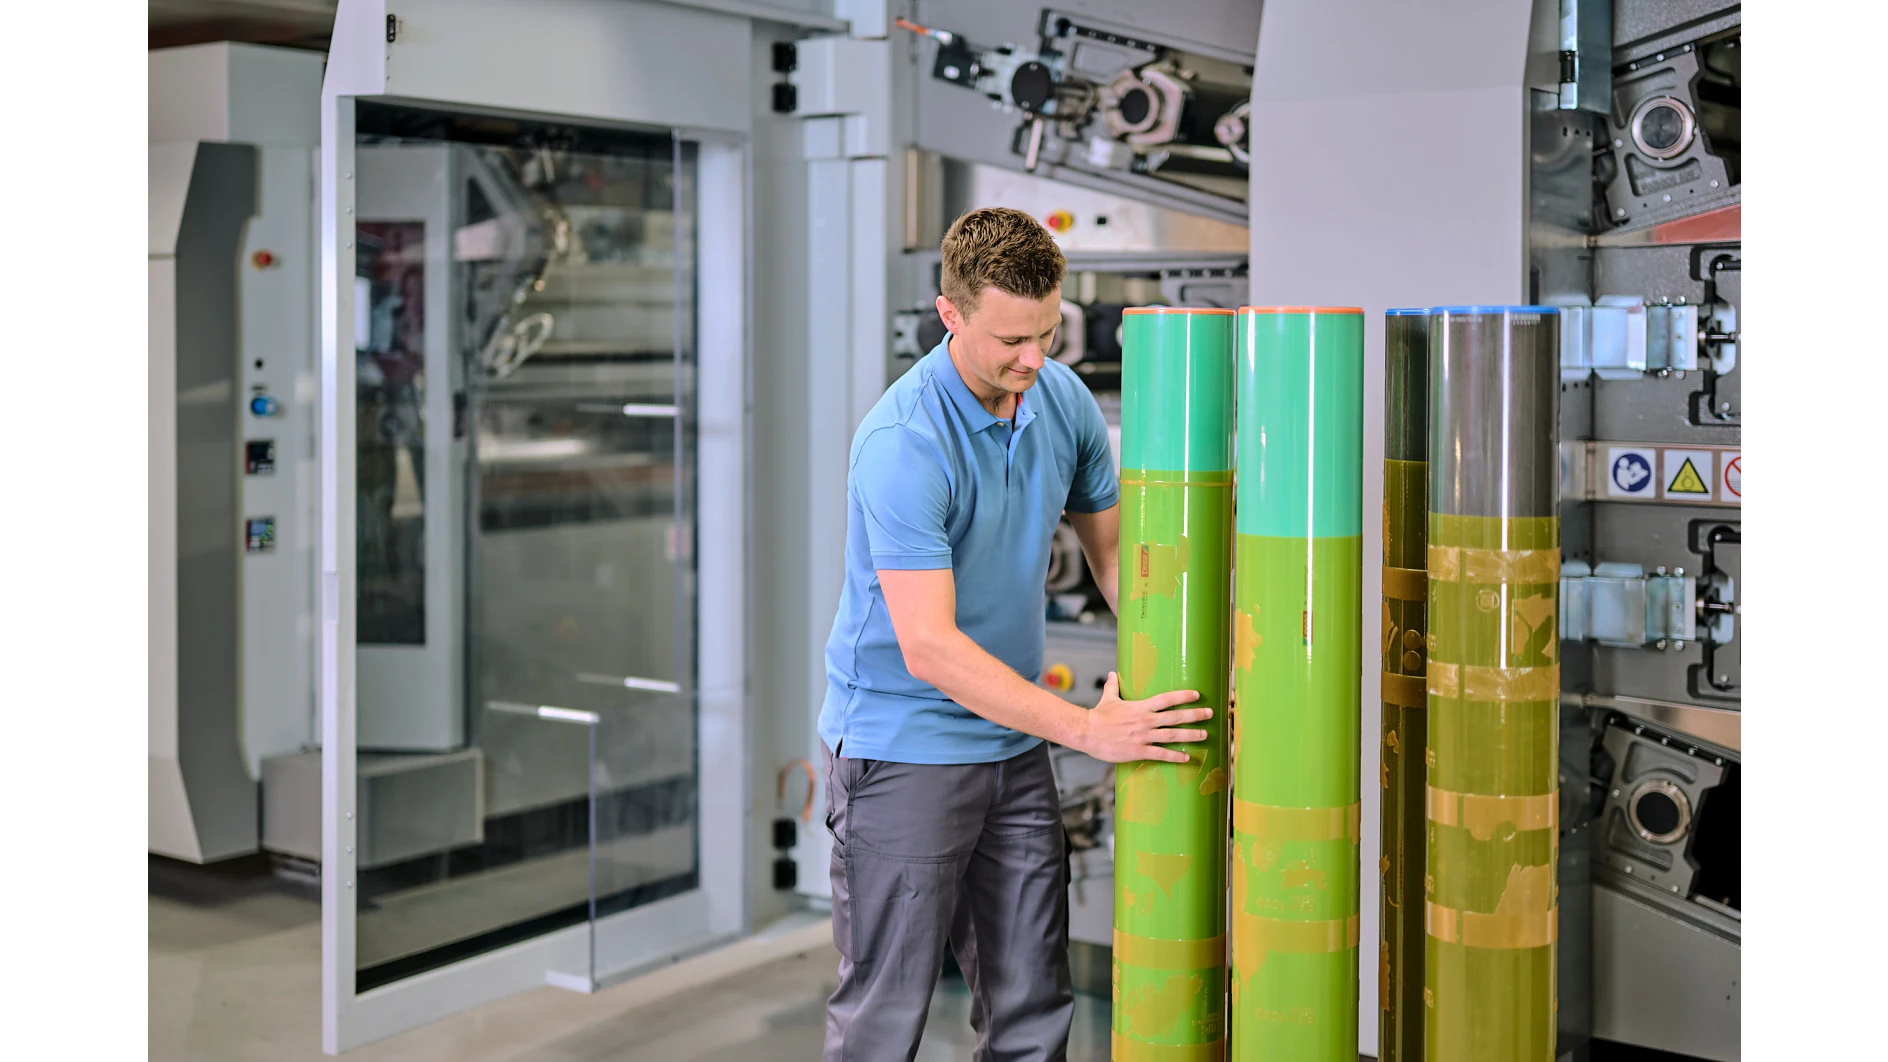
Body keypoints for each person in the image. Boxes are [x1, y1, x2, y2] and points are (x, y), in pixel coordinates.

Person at [818, 206, 1210, 1061]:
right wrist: (1088, 730)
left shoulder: (1060, 398)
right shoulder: (903, 442)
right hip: (903, 749)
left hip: (1012, 746)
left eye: (1048, 332)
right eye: (1010, 341)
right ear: (949, 315)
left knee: (1033, 1003)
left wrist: (1179, 676)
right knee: (886, 1014)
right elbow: (930, 647)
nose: (1033, 359)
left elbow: (1116, 563)